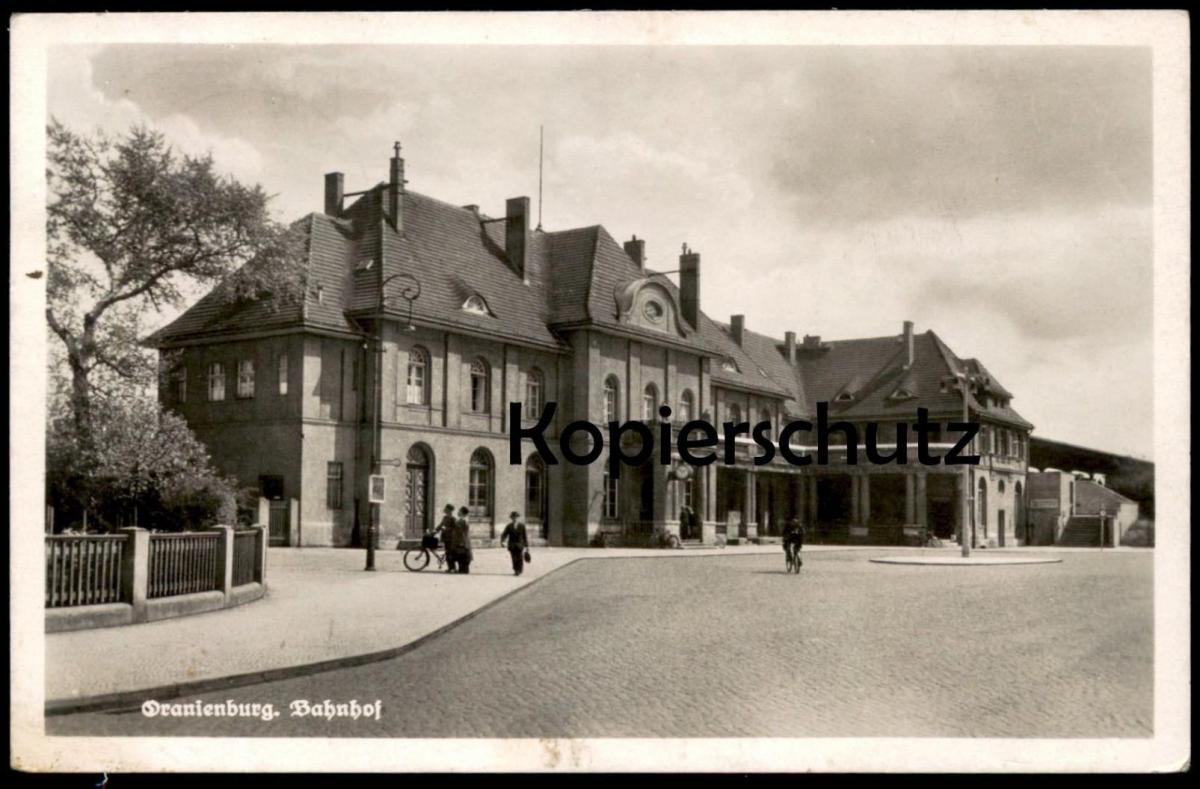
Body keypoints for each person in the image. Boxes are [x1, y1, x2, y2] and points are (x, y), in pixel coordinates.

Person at [500, 511, 529, 576]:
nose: (514, 519)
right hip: (512, 545)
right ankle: (516, 570)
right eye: (513, 518)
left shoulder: (522, 526)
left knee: (520, 557)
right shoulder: (509, 526)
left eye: (516, 517)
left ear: (518, 518)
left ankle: (520, 570)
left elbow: (525, 536)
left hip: (519, 545)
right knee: (514, 558)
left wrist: (527, 546)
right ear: (511, 518)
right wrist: (502, 541)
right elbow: (504, 534)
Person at [435, 503, 458, 573]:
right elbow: (440, 525)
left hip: (451, 538)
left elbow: (455, 528)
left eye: (446, 509)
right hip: (445, 537)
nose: (444, 510)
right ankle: (449, 567)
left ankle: (453, 568)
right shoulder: (445, 517)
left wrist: (446, 529)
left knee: (450, 553)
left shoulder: (453, 518)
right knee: (447, 552)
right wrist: (435, 530)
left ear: (449, 510)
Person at [454, 506, 473, 574]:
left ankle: (464, 569)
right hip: (461, 540)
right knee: (461, 555)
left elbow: (463, 532)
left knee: (463, 555)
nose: (458, 512)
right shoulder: (460, 520)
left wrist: (462, 541)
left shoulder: (463, 521)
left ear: (462, 513)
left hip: (463, 540)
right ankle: (461, 569)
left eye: (459, 511)